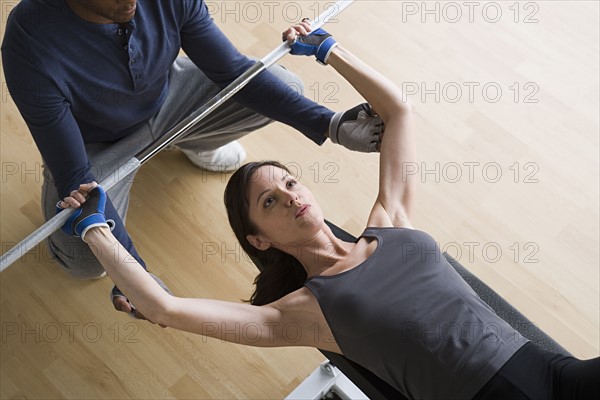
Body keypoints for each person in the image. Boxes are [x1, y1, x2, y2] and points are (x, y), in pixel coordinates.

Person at [57, 22, 599, 400]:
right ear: (259, 238)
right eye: (271, 200)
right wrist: (96, 230)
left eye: (290, 182)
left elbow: (399, 112)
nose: (292, 195)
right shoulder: (300, 314)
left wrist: (329, 50)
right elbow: (168, 309)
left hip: (553, 373)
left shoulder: (391, 224)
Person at [1, 0, 384, 317]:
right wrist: (138, 276)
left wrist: (331, 124)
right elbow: (75, 174)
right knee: (88, 262)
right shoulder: (28, 44)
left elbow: (230, 70)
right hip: (94, 152)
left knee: (285, 85)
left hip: (168, 97)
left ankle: (193, 140)